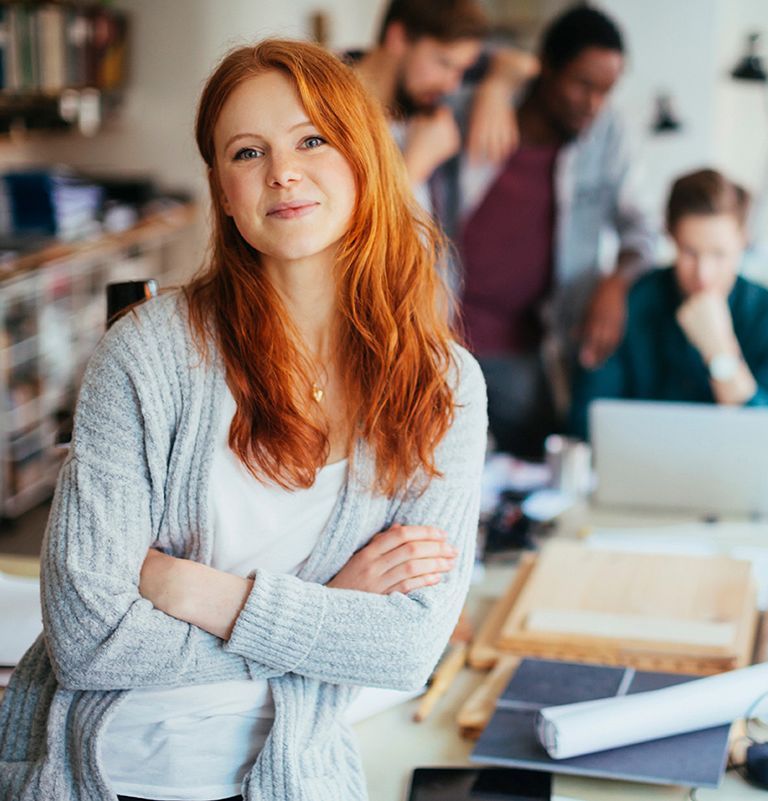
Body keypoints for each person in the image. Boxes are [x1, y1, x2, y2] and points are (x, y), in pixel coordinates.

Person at [0, 39, 487, 801]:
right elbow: (89, 640)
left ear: (363, 158)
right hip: (104, 773)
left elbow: (407, 647)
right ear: (223, 191)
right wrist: (333, 607)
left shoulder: (443, 385)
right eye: (247, 151)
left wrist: (197, 591)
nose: (281, 172)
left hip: (295, 776)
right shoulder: (147, 354)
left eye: (311, 140)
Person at [444, 4, 657, 458]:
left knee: (535, 465)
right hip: (439, 337)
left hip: (525, 350)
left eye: (606, 91)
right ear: (546, 68)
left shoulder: (609, 134)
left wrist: (616, 283)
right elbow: (427, 62)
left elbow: (642, 231)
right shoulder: (471, 108)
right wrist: (497, 82)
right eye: (582, 84)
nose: (593, 104)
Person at [570, 168, 768, 440]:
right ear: (671, 237)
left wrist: (720, 354)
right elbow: (586, 422)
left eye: (718, 254)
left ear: (743, 240)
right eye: (690, 252)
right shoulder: (629, 303)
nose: (703, 274)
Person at [349, 0, 538, 206]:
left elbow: (523, 64)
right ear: (398, 38)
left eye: (462, 70)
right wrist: (414, 166)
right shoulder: (326, 106)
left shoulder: (425, 100)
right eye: (444, 63)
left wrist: (495, 88)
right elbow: (348, 228)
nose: (452, 85)